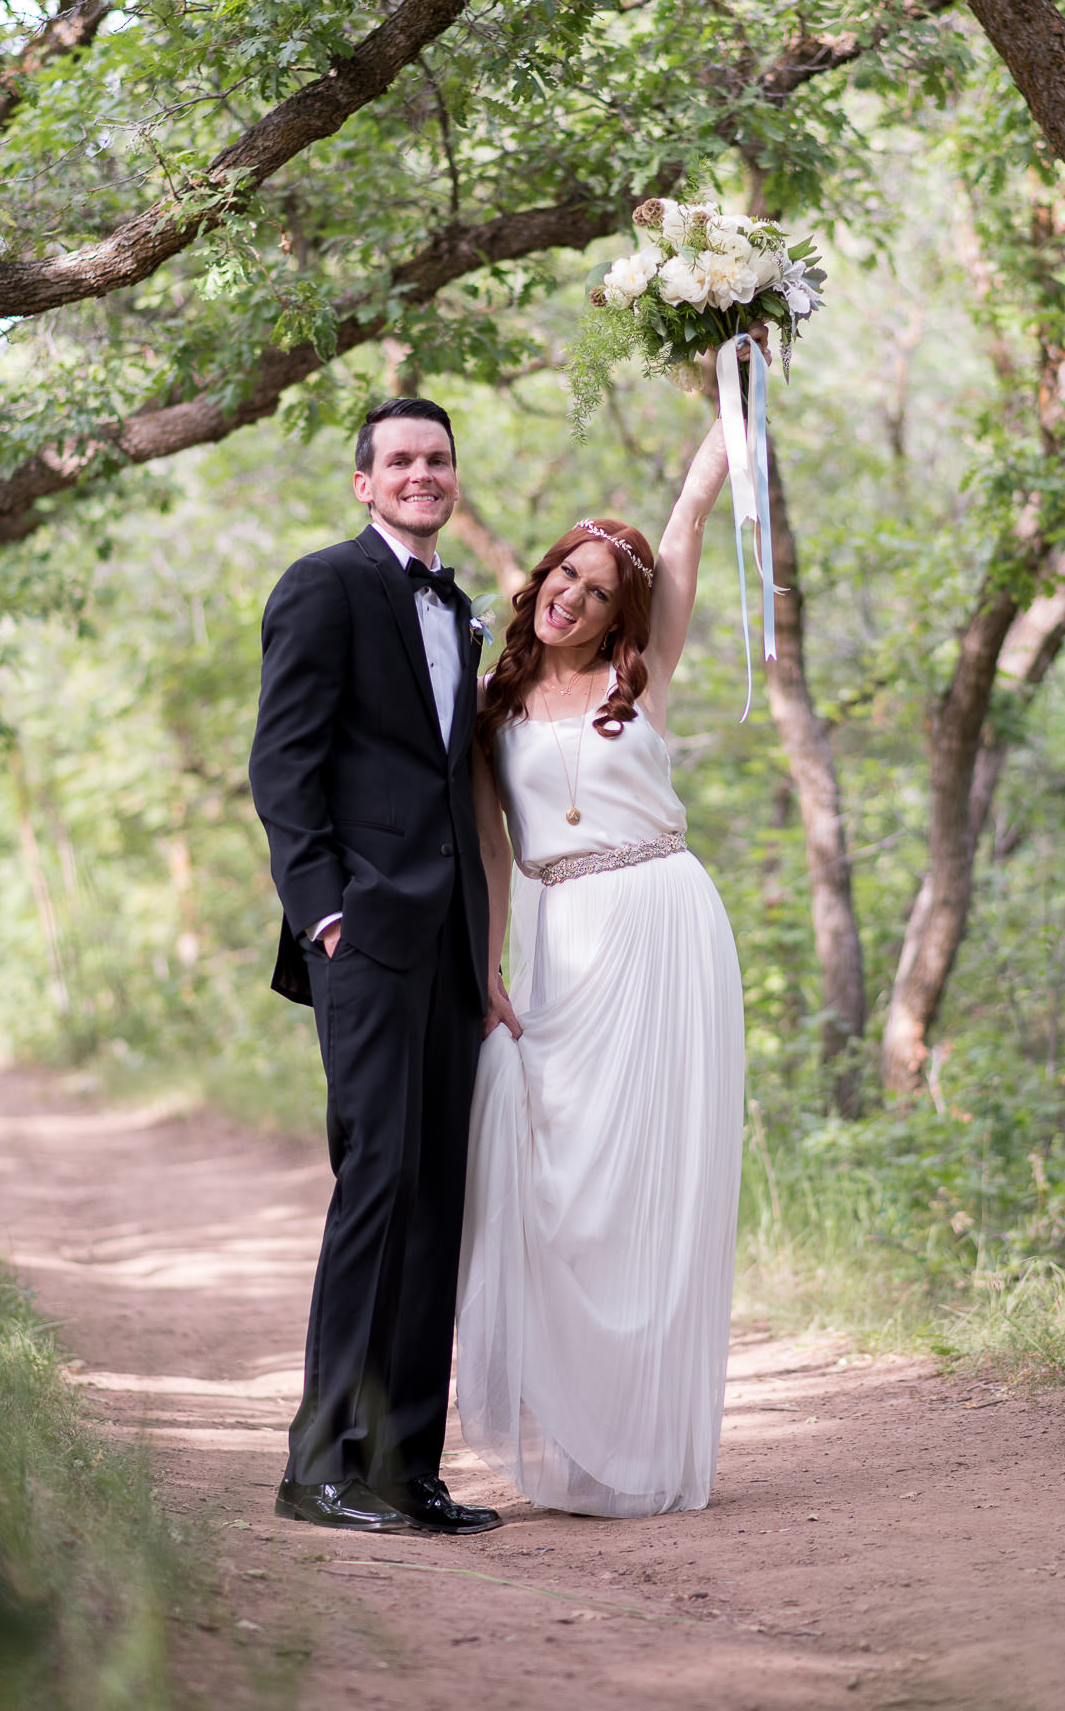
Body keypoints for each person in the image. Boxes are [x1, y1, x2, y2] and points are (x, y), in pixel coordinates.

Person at [456, 341, 752, 1518]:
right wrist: (484, 964)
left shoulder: (647, 672)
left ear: (622, 607)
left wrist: (739, 362)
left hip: (670, 924)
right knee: (564, 1178)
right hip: (565, 937)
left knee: (652, 1187)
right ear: (536, 584)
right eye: (560, 577)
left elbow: (691, 506)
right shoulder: (491, 708)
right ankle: (571, 1430)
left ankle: (638, 1447)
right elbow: (489, 850)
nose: (571, 594)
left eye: (595, 586)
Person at [248, 397, 500, 1536]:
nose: (420, 473)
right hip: (365, 939)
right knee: (377, 1186)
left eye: (436, 458)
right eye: (399, 459)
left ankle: (407, 1466)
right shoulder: (325, 584)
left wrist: (482, 944)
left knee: (438, 1195)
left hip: (448, 944)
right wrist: (324, 915)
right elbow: (283, 765)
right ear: (363, 481)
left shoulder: (460, 608)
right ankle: (320, 1466)